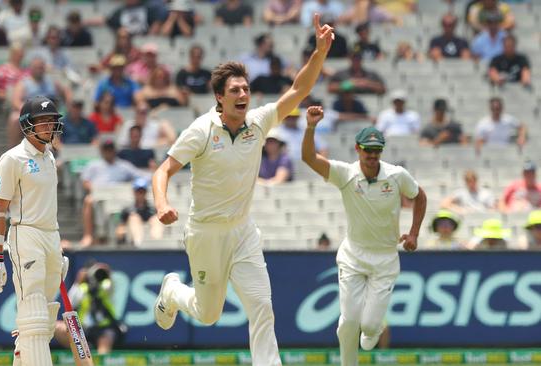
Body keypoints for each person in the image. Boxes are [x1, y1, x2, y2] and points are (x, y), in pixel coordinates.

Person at [151, 15, 334, 366]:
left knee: (262, 306)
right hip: (206, 234)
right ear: (219, 97)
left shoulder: (259, 122)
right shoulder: (201, 130)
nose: (243, 95)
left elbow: (299, 90)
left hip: (242, 232)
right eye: (234, 90)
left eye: (246, 89)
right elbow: (164, 170)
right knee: (208, 315)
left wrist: (320, 52)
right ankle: (173, 291)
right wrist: (162, 205)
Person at [301, 123, 426, 366]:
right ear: (357, 149)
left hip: (385, 259)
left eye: (377, 150)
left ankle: (372, 330)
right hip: (353, 257)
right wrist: (311, 126)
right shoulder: (345, 173)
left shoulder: (396, 175)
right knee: (348, 322)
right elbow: (307, 157)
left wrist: (414, 234)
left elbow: (419, 196)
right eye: (367, 150)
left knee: (368, 327)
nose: (372, 155)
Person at [0, 96, 68, 366]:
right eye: (42, 121)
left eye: (51, 121)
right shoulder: (12, 159)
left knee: (45, 314)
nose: (48, 126)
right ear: (27, 125)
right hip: (25, 233)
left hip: (51, 235)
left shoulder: (50, 157)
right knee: (33, 311)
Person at [80, 139, 144, 246]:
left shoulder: (124, 166)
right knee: (88, 200)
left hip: (121, 196)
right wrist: (96, 191)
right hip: (99, 196)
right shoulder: (93, 165)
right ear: (102, 151)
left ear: (114, 150)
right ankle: (88, 235)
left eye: (111, 149)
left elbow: (140, 176)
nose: (109, 152)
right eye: (106, 149)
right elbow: (85, 182)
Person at [55, 262, 127, 354]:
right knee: (57, 327)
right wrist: (78, 282)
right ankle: (84, 352)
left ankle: (101, 358)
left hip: (103, 328)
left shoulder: (105, 286)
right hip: (83, 328)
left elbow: (111, 288)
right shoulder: (82, 288)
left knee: (106, 339)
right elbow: (69, 302)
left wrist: (106, 274)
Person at [116, 178, 163, 246]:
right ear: (134, 192)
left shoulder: (153, 209)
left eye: (143, 191)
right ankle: (139, 245)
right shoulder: (127, 210)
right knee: (134, 218)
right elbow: (120, 229)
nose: (140, 194)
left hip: (150, 232)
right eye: (138, 191)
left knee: (156, 219)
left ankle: (156, 244)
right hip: (130, 237)